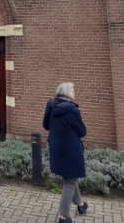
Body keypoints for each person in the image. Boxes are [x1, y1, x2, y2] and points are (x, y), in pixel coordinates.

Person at [43, 82, 88, 223]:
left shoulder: (51, 105)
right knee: (70, 181)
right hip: (71, 150)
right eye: (73, 89)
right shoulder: (72, 110)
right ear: (67, 92)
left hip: (57, 148)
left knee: (70, 177)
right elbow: (82, 131)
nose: (75, 91)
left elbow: (46, 125)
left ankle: (80, 205)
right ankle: (63, 216)